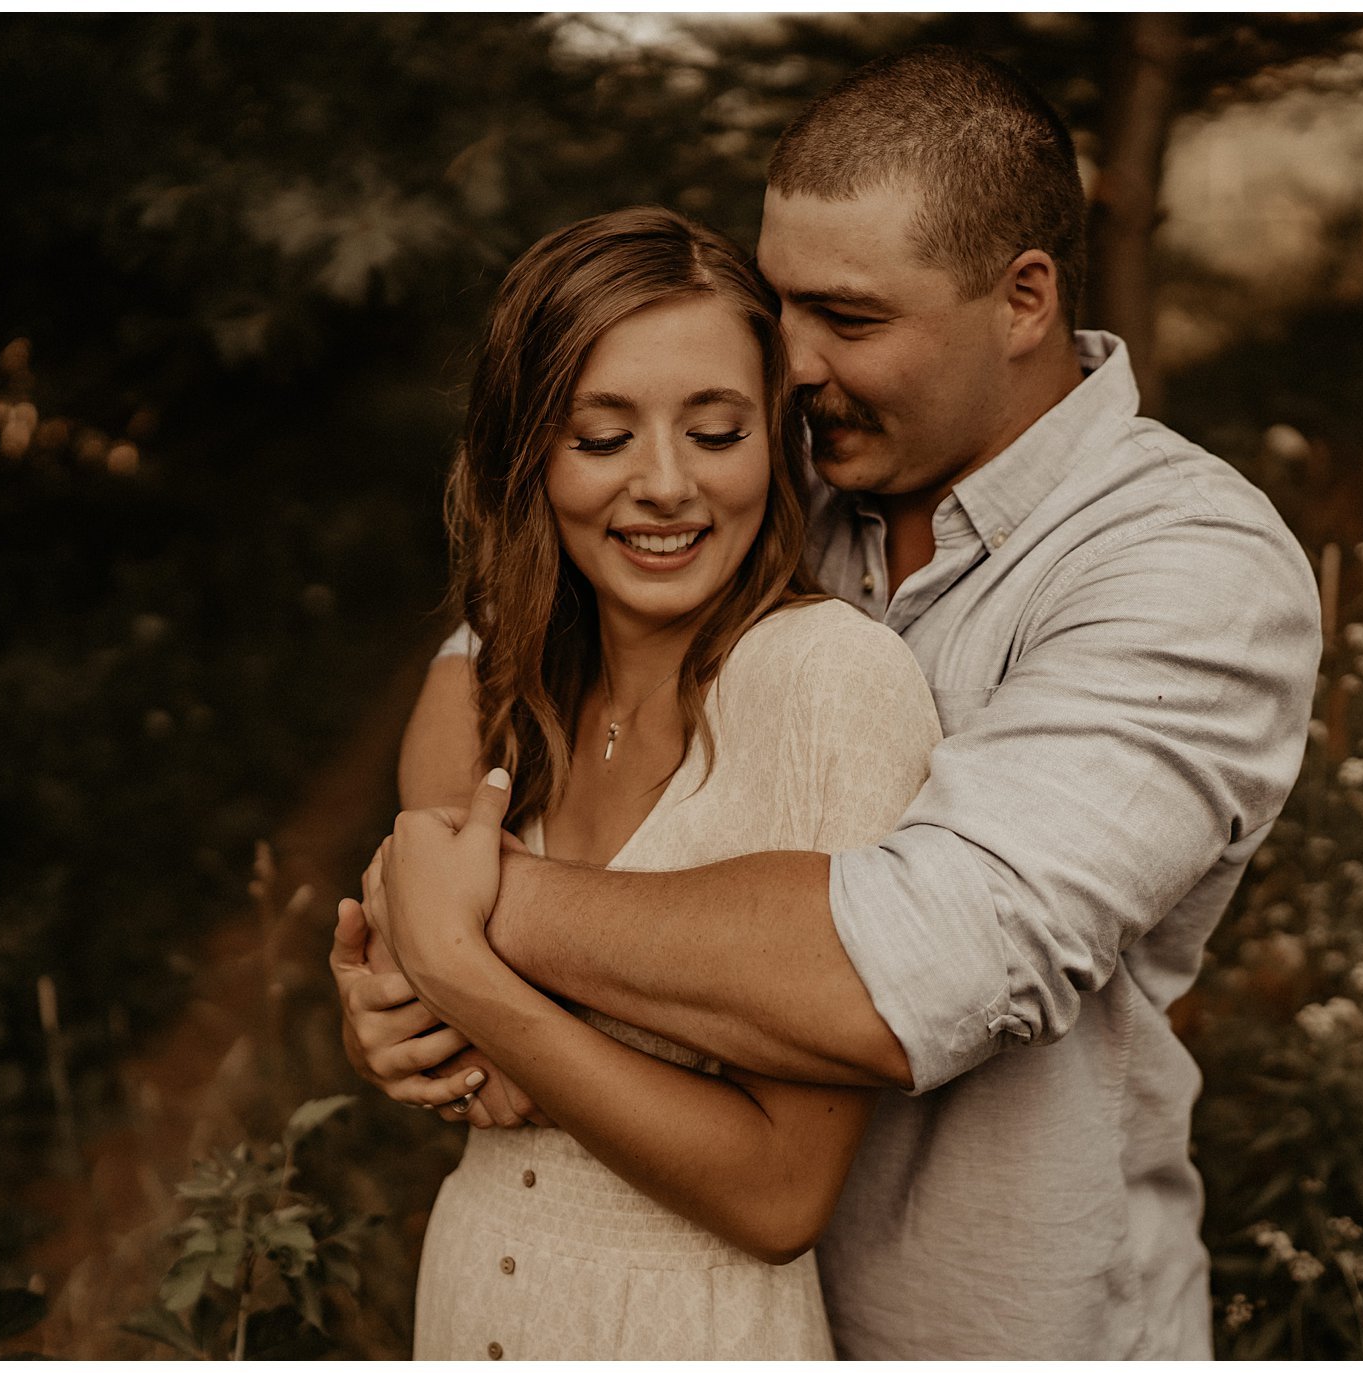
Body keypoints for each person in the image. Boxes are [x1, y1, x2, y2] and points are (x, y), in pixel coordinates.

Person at [338, 45, 1322, 1359]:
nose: (790, 365)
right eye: (780, 305)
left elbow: (915, 964)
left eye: (849, 320)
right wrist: (424, 934)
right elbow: (505, 629)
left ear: (1023, 298)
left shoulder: (1183, 564)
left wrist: (463, 918)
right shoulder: (789, 468)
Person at [349, 203, 943, 1359]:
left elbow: (780, 1193)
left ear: (775, 442)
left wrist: (465, 976)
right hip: (472, 1296)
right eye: (601, 436)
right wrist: (387, 1033)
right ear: (528, 453)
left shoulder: (831, 682)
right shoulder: (505, 678)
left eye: (714, 433)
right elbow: (421, 995)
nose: (664, 485)